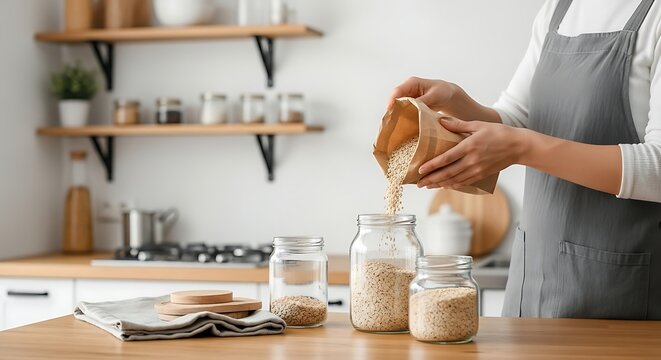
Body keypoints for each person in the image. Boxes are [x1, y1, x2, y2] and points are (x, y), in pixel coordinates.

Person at [388, 0, 661, 320]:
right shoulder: (558, 11)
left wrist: (523, 148)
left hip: (616, 288)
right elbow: (517, 118)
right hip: (531, 280)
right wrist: (455, 100)